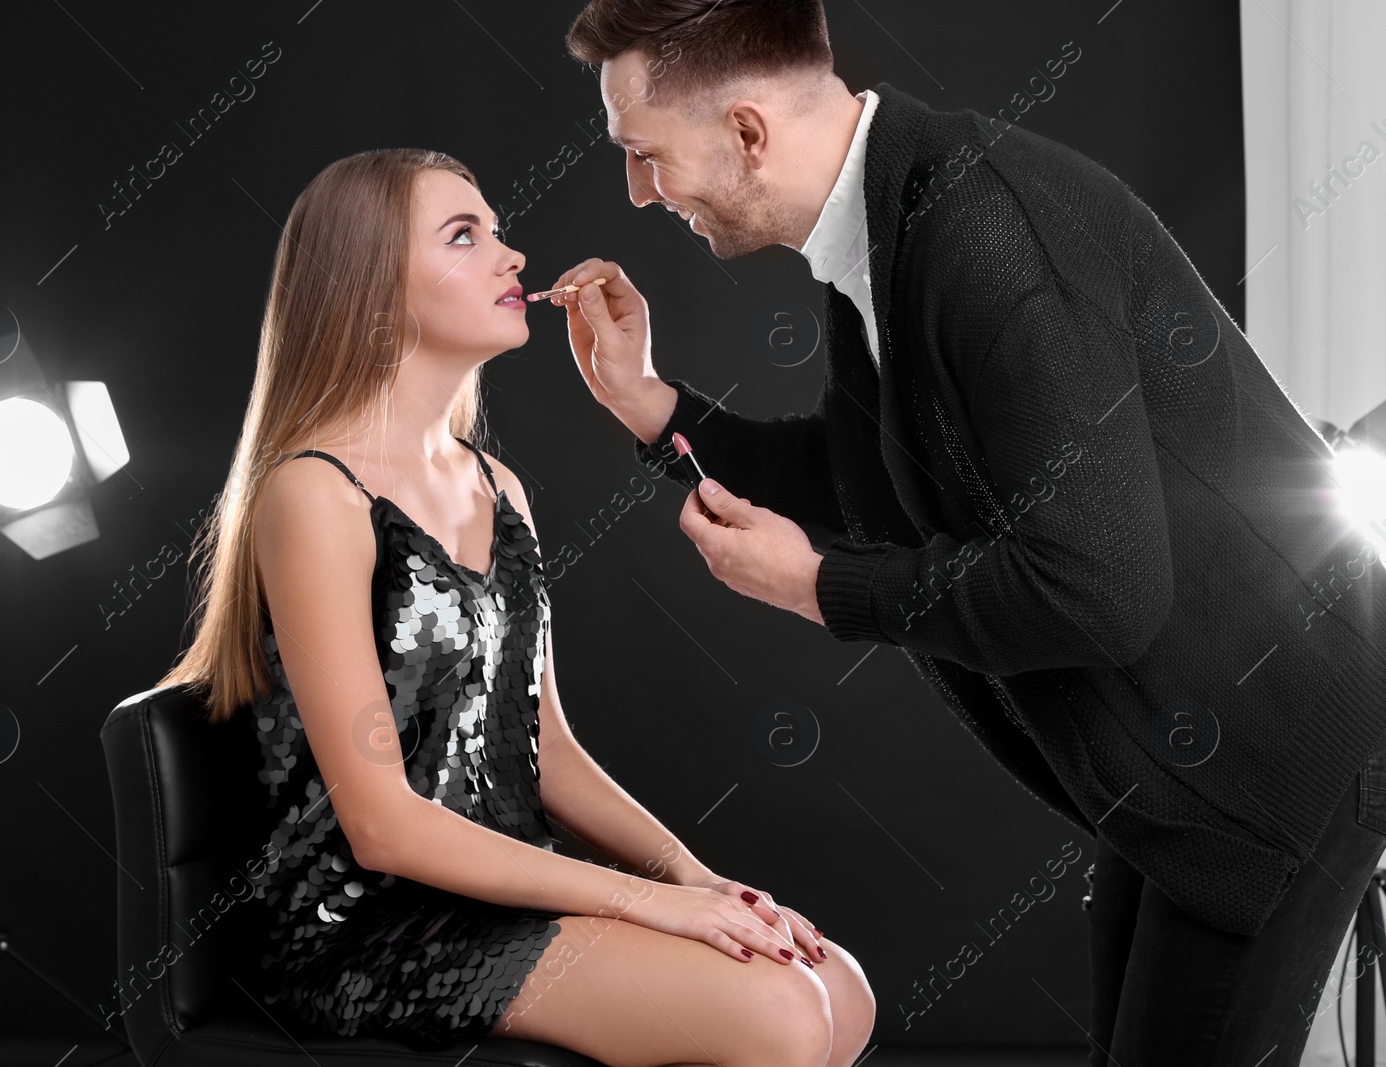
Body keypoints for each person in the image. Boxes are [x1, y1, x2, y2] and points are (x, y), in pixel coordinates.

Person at [542, 1, 1386, 1064]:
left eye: (643, 154)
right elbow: (865, 483)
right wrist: (654, 408)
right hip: (1174, 762)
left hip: (1275, 756)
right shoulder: (884, 226)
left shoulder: (983, 234)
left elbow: (1101, 591)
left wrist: (824, 589)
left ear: (747, 133)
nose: (638, 191)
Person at [155, 147, 876, 1067]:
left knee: (838, 989)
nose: (513, 257)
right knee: (782, 1013)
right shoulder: (313, 495)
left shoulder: (498, 488)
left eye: (498, 229)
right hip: (365, 931)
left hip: (500, 897)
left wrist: (701, 880)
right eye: (466, 236)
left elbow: (548, 750)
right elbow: (378, 825)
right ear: (372, 290)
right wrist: (648, 901)